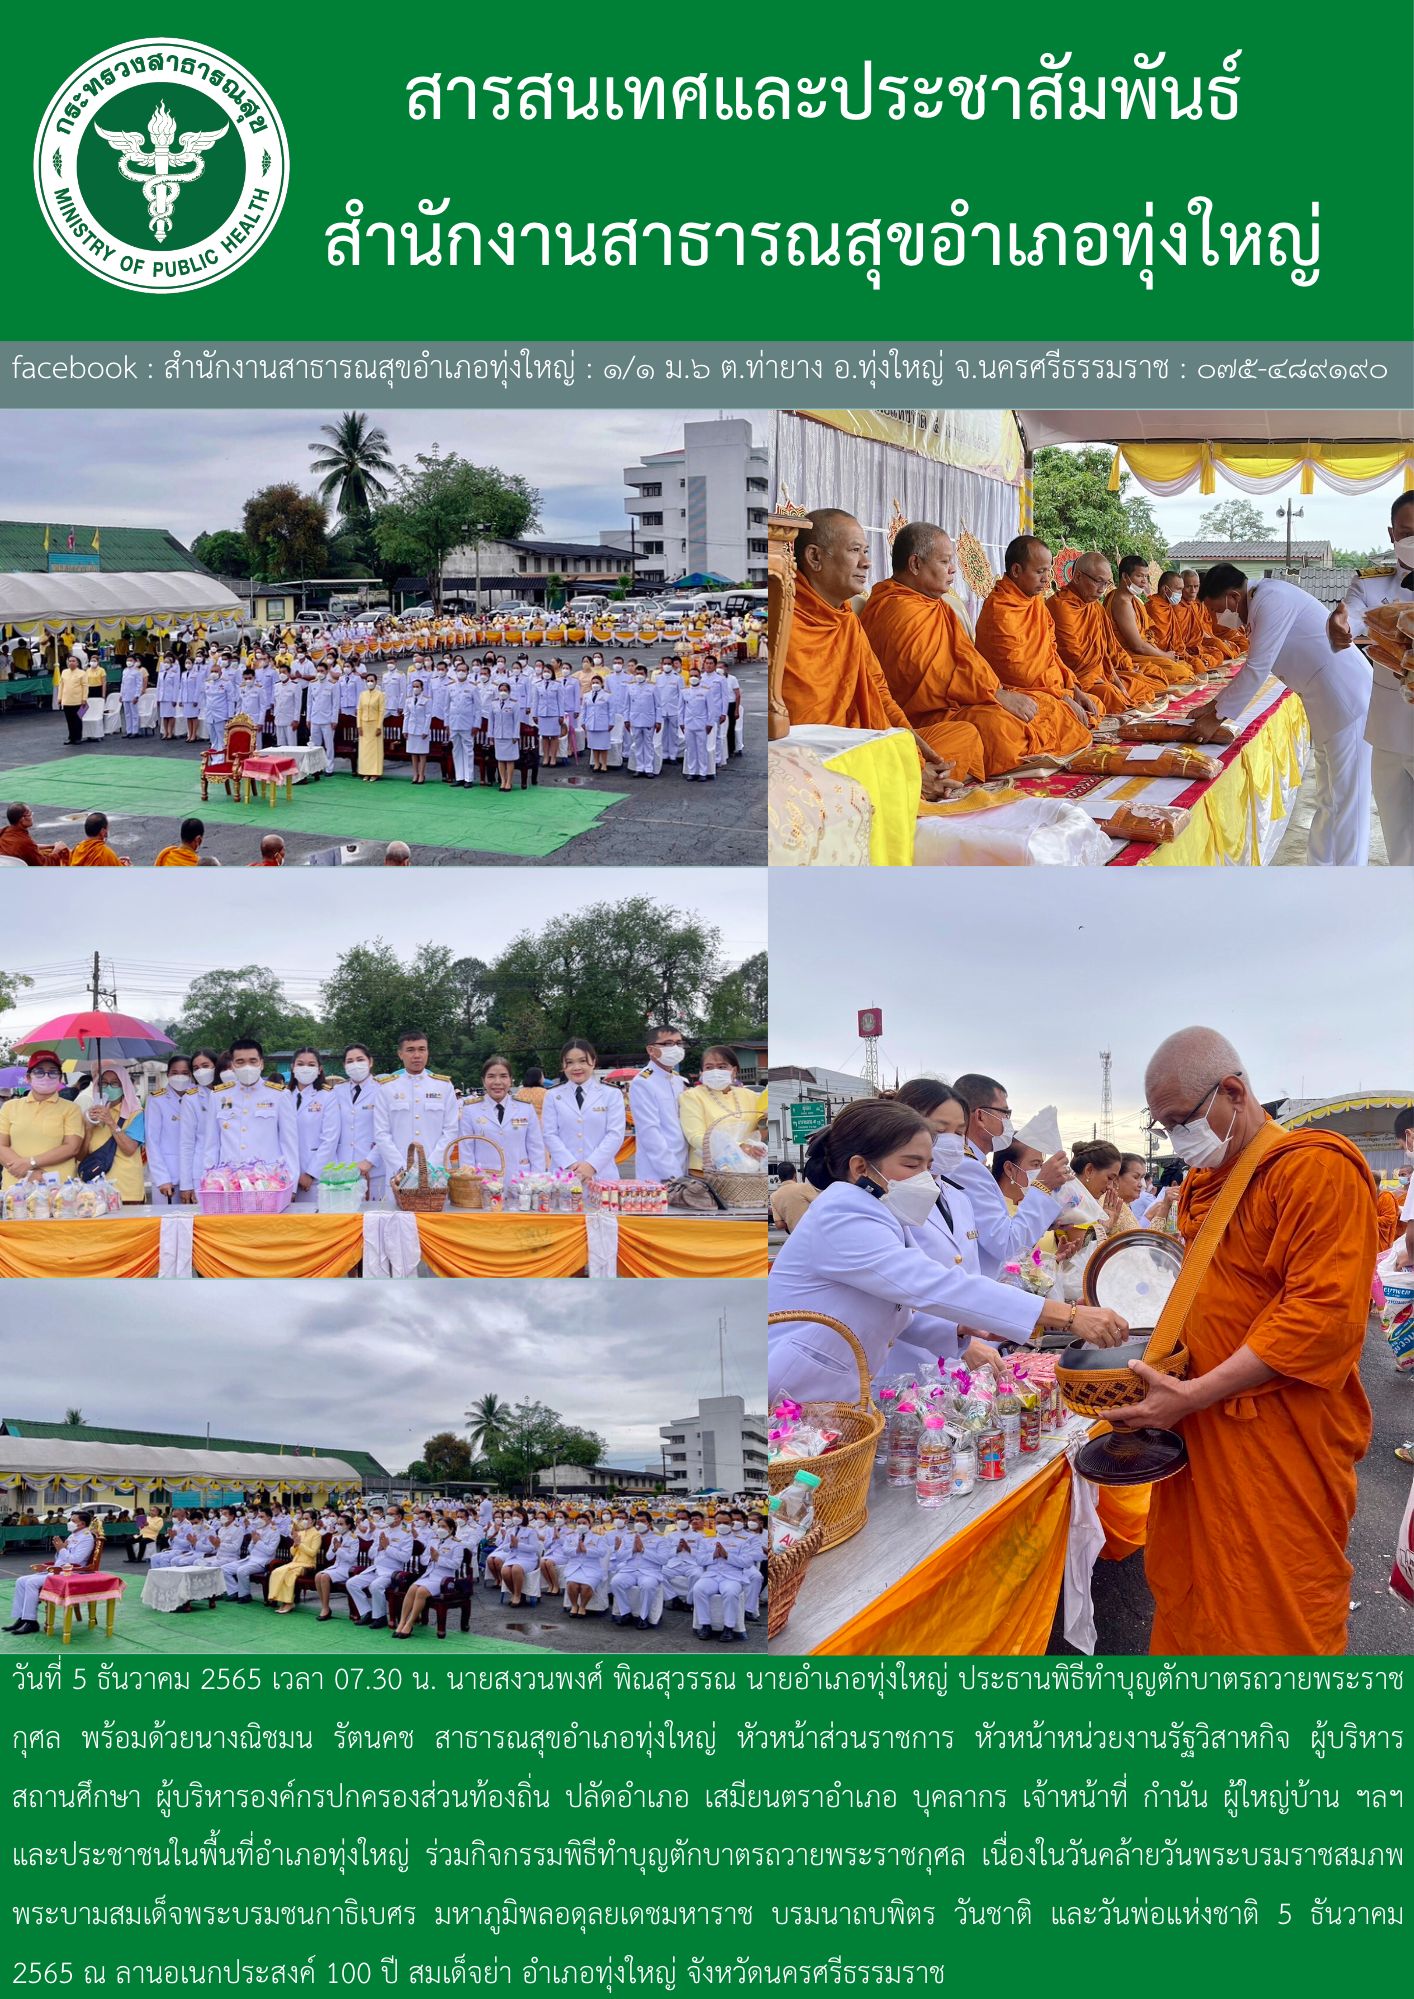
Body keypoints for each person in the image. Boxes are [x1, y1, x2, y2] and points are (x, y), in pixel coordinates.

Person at [1113, 1026, 1377, 1655]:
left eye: (1180, 1121)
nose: (1175, 1139)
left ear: (1232, 1091)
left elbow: (1322, 1317)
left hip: (1274, 1433)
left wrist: (1196, 1391)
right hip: (1201, 1431)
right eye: (1164, 1127)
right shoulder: (1208, 1183)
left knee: (1273, 1617)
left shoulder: (1314, 1169)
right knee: (1195, 1594)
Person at [767, 1097, 1127, 1403]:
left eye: (927, 1165)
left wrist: (957, 1329)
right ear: (861, 1167)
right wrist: (1067, 1316)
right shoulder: (843, 1212)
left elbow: (900, 1306)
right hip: (800, 1386)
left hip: (839, 1389)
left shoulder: (884, 1210)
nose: (925, 1177)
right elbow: (928, 1284)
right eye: (911, 1165)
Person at [1191, 564, 1374, 867]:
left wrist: (1217, 717)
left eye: (1215, 610)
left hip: (1349, 703)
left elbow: (1257, 668)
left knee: (1349, 804)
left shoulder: (1271, 599)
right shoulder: (1263, 601)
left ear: (1234, 597)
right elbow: (1255, 666)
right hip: (1328, 708)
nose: (1215, 619)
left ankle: (1350, 886)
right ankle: (1321, 872)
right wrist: (1212, 706)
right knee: (1330, 800)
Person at [780, 510, 956, 798]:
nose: (866, 562)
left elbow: (880, 694)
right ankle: (909, 785)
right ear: (814, 558)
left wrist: (914, 748)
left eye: (865, 550)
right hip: (816, 764)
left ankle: (918, 781)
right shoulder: (786, 624)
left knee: (960, 739)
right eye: (854, 551)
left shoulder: (847, 619)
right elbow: (806, 738)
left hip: (866, 745)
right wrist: (901, 768)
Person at [858, 523, 1046, 775]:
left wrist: (995, 692)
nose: (953, 569)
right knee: (999, 728)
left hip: (960, 702)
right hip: (922, 715)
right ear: (915, 564)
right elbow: (932, 677)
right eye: (945, 561)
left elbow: (965, 659)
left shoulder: (936, 605)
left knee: (1039, 709)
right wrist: (995, 695)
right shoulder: (898, 609)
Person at [1328, 489, 1414, 866]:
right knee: (1400, 841)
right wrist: (1340, 624)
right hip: (1390, 731)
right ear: (1392, 533)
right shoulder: (1371, 583)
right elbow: (1355, 614)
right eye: (1407, 530)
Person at [972, 538, 1096, 754]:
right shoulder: (1000, 610)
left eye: (1048, 571)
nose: (1046, 580)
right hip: (1017, 691)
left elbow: (1051, 651)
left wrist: (1073, 689)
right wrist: (1062, 697)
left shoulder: (1035, 601)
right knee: (1035, 722)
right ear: (1017, 570)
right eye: (1040, 572)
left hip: (1049, 688)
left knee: (1093, 703)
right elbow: (1019, 673)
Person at [948, 1071, 1072, 1277]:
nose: (1008, 1121)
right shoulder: (967, 1167)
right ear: (980, 1116)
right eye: (1005, 1113)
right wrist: (1042, 1186)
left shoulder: (973, 1163)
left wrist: (1048, 1220)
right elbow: (1005, 1244)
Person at [1047, 553, 1169, 707]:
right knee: (1111, 696)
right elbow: (1072, 656)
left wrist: (1117, 680)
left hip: (1102, 674)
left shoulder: (1095, 606)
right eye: (1099, 582)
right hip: (1077, 680)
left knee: (1144, 687)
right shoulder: (1060, 606)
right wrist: (1097, 677)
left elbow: (1105, 650)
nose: (1102, 590)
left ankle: (1126, 697)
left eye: (1107, 583)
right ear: (1078, 577)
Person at [203, 1037, 299, 1183]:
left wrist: (291, 1184)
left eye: (253, 1061)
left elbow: (288, 1143)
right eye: (240, 1062)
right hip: (229, 1182)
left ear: (261, 1064)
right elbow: (211, 1144)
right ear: (233, 1065)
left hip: (269, 1182)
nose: (247, 1066)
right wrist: (209, 1180)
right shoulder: (218, 1096)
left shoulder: (279, 1095)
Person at [372, 1031, 461, 1175]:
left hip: (436, 1173)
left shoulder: (444, 1086)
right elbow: (381, 1134)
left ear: (427, 1052)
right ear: (400, 1054)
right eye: (410, 1050)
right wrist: (402, 1168)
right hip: (398, 1175)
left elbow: (451, 1130)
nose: (417, 1055)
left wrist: (429, 1168)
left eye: (422, 1049)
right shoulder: (387, 1088)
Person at [542, 1039, 626, 1185]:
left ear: (593, 1062)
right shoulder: (553, 1096)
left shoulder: (611, 1094)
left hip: (602, 1174)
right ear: (563, 1065)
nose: (576, 1067)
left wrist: (592, 1165)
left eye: (582, 1061)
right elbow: (549, 1134)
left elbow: (615, 1135)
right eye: (569, 1062)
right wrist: (571, 1164)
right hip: (564, 1173)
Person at [0, 1051, 85, 1192]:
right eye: (39, 1072)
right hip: (15, 1189)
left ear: (59, 1078)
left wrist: (31, 1162)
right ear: (28, 1077)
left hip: (59, 1190)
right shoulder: (10, 1107)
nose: (46, 1077)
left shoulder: (71, 1109)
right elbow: (1, 1146)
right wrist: (28, 1173)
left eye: (52, 1072)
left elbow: (72, 1147)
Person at [4, 1509, 98, 1635]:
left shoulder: (87, 1538)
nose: (70, 1522)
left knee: (31, 1583)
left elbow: (76, 1560)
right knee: (21, 1581)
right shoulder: (73, 1535)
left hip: (73, 1573)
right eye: (70, 1519)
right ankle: (22, 1618)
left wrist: (61, 1549)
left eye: (73, 1521)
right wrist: (49, 1563)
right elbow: (61, 1558)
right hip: (59, 1570)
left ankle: (31, 1622)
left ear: (82, 1524)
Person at [1105, 555, 1195, 683]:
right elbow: (1137, 646)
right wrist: (1165, 655)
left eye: (1146, 577)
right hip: (1128, 657)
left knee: (1185, 668)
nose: (1144, 581)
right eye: (1140, 576)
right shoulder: (1122, 603)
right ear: (1125, 576)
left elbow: (1146, 637)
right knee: (1181, 673)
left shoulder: (1133, 601)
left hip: (1142, 653)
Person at [678, 1045, 765, 1176]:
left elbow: (761, 1129)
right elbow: (695, 1136)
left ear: (734, 1071)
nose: (715, 1071)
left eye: (722, 1067)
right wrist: (739, 1147)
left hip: (748, 1171)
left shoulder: (750, 1096)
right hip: (707, 1172)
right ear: (702, 1072)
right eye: (709, 1067)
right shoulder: (692, 1096)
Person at [456, 1055, 547, 1175]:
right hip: (484, 1183)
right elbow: (466, 1152)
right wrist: (470, 1183)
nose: (497, 1082)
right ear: (483, 1081)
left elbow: (536, 1149)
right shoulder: (470, 1110)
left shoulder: (525, 1108)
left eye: (503, 1076)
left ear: (510, 1080)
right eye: (491, 1076)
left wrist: (537, 1183)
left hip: (521, 1183)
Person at [628, 1025, 689, 1183]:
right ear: (651, 1050)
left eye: (679, 1043)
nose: (675, 1048)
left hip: (685, 1167)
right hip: (658, 1174)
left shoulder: (679, 1081)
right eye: (668, 1043)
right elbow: (650, 1134)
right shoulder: (643, 1082)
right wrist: (674, 1175)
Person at [77, 1063, 145, 1203]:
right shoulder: (90, 1114)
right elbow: (81, 1156)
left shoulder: (135, 1113)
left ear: (124, 1086)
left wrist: (111, 1123)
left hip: (126, 1190)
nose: (108, 1088)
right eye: (104, 1083)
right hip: (95, 1191)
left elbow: (129, 1149)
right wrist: (89, 1129)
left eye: (115, 1083)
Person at [288, 1047, 334, 1194]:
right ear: (292, 1067)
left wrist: (310, 1173)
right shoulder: (283, 1095)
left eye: (311, 1064)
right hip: (286, 1175)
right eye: (300, 1064)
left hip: (316, 1176)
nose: (305, 1068)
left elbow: (330, 1139)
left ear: (319, 1069)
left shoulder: (328, 1096)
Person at [266, 1512, 323, 1613]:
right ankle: (280, 1601)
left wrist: (300, 1544)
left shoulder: (316, 1535)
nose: (304, 1521)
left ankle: (289, 1603)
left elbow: (313, 1553)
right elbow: (292, 1552)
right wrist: (295, 1545)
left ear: (313, 1521)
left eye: (307, 1518)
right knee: (277, 1571)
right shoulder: (300, 1533)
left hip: (308, 1565)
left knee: (289, 1575)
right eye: (303, 1519)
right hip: (295, 1562)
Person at [312, 1514, 364, 1619]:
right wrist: (334, 1549)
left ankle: (325, 1609)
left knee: (324, 1576)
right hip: (336, 1567)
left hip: (348, 1569)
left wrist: (339, 1550)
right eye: (337, 1524)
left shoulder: (354, 1538)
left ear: (348, 1525)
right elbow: (328, 1557)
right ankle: (325, 1606)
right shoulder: (335, 1537)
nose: (339, 1526)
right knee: (318, 1576)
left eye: (341, 1524)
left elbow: (351, 1558)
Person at [222, 1509, 280, 1602]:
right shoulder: (258, 1530)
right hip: (251, 1559)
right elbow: (250, 1549)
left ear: (269, 1518)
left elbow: (270, 1551)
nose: (259, 1519)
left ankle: (245, 1595)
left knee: (241, 1570)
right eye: (259, 1517)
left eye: (262, 1517)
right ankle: (234, 1591)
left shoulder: (274, 1531)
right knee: (224, 1569)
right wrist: (254, 1542)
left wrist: (258, 1541)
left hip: (263, 1562)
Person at [0, 802, 70, 866]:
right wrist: (57, 851)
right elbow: (43, 864)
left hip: (5, 863)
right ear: (22, 819)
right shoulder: (24, 841)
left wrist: (52, 846)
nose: (32, 817)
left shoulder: (5, 831)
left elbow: (31, 847)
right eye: (30, 814)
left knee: (47, 851)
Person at [446, 664, 481, 787]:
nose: (461, 672)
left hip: (467, 724)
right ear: (455, 671)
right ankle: (459, 777)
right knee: (456, 750)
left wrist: (476, 724)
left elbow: (477, 708)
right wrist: (446, 724)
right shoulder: (450, 687)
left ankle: (468, 778)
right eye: (459, 670)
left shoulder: (473, 687)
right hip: (454, 723)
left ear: (467, 672)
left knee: (468, 750)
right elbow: (446, 707)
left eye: (463, 670)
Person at [626, 665, 662, 776]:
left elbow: (658, 706)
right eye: (637, 673)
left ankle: (649, 768)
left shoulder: (652, 687)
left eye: (641, 673)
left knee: (648, 744)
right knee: (637, 744)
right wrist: (626, 720)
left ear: (646, 675)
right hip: (635, 719)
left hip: (648, 719)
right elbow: (626, 705)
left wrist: (658, 721)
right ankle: (639, 767)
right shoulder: (630, 687)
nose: (639, 676)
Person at [769, 1160, 817, 1233]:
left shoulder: (774, 1196)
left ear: (779, 1178)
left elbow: (779, 1225)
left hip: (795, 1237)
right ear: (795, 1175)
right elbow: (821, 1205)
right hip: (814, 1232)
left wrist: (791, 1221)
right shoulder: (804, 1187)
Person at [306, 666, 338, 770]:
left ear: (327, 671)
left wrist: (334, 719)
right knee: (315, 746)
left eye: (322, 671)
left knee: (329, 745)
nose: (319, 673)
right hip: (314, 718)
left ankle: (329, 768)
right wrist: (308, 718)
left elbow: (335, 704)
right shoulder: (312, 683)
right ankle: (316, 768)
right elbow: (309, 703)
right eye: (318, 671)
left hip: (327, 720)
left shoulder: (332, 684)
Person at [356, 672, 385, 782]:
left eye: (372, 681)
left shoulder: (380, 694)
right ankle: (365, 772)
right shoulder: (362, 694)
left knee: (375, 750)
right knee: (364, 750)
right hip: (364, 724)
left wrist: (379, 726)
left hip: (375, 725)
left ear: (376, 682)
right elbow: (359, 710)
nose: (370, 683)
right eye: (368, 681)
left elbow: (382, 711)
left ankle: (375, 773)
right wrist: (359, 725)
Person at [403, 676, 432, 784]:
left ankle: (421, 775)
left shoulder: (427, 700)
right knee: (413, 754)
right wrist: (404, 730)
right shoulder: (408, 700)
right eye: (414, 686)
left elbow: (428, 716)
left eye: (417, 686)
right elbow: (406, 715)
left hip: (421, 731)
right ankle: (415, 774)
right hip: (411, 729)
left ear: (422, 688)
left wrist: (425, 731)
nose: (415, 688)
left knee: (422, 754)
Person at [58, 654, 88, 744]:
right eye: (69, 661)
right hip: (66, 701)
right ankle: (71, 737)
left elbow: (85, 686)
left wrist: (84, 699)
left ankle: (78, 737)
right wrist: (59, 698)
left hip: (78, 701)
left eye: (73, 661)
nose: (71, 663)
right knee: (69, 720)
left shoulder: (82, 673)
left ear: (77, 663)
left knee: (78, 720)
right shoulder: (64, 672)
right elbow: (61, 686)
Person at [120, 655, 146, 736]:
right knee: (127, 714)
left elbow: (139, 685)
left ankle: (135, 731)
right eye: (127, 660)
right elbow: (123, 684)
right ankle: (129, 731)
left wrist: (137, 696)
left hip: (133, 695)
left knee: (134, 713)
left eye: (131, 660)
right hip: (125, 695)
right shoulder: (124, 671)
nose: (129, 662)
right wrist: (121, 694)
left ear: (135, 661)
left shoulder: (137, 671)